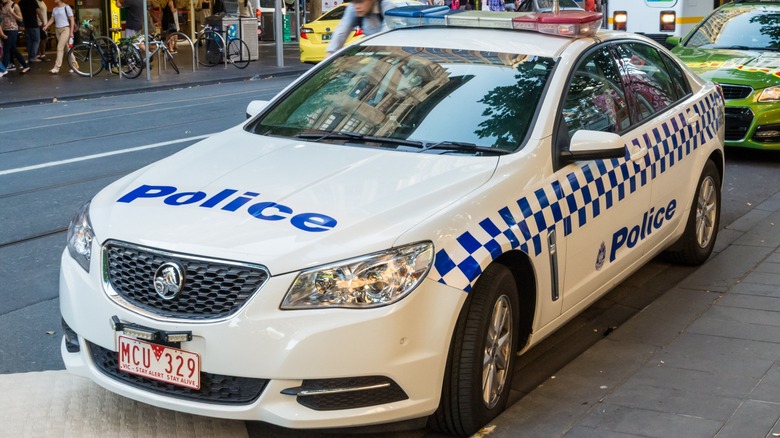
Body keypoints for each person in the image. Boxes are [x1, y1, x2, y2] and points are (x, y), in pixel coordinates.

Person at [326, 0, 397, 56]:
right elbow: (341, 31)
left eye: (360, 2)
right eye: (354, 2)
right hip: (375, 53)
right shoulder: (352, 8)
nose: (357, 6)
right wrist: (330, 54)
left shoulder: (386, 6)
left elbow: (387, 35)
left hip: (394, 52)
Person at [42, 0, 76, 74]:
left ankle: (56, 67)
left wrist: (71, 32)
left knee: (59, 48)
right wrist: (47, 26)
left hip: (65, 29)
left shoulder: (67, 7)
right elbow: (52, 19)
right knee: (67, 48)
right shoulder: (55, 9)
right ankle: (75, 65)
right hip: (57, 30)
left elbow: (72, 20)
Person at [1, 0, 31, 73]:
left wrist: (12, 13)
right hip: (4, 29)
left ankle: (3, 70)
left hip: (12, 30)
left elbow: (20, 19)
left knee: (6, 49)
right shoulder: (2, 5)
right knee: (13, 49)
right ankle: (26, 66)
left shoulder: (14, 5)